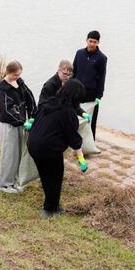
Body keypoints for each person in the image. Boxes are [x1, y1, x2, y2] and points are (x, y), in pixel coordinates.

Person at [27, 79, 86, 218]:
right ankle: (50, 210)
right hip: (49, 149)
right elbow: (73, 138)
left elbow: (35, 116)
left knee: (45, 174)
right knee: (55, 177)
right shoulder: (69, 113)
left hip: (33, 144)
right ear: (76, 98)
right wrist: (81, 158)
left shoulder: (48, 102)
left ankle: (50, 203)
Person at [0, 60, 37, 194]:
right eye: (15, 75)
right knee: (9, 154)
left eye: (19, 75)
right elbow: (7, 109)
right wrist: (21, 121)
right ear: (8, 72)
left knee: (18, 153)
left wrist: (32, 115)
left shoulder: (19, 82)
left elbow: (29, 98)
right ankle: (3, 184)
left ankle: (14, 181)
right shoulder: (1, 88)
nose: (17, 77)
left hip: (21, 123)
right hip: (8, 125)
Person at [72, 30, 107, 139]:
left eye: (94, 42)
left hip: (91, 93)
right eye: (90, 41)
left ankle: (90, 143)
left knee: (90, 120)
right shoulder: (79, 53)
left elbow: (102, 77)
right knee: (75, 117)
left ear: (98, 43)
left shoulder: (102, 58)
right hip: (77, 91)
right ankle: (74, 141)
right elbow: (74, 71)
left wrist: (99, 96)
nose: (92, 44)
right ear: (86, 40)